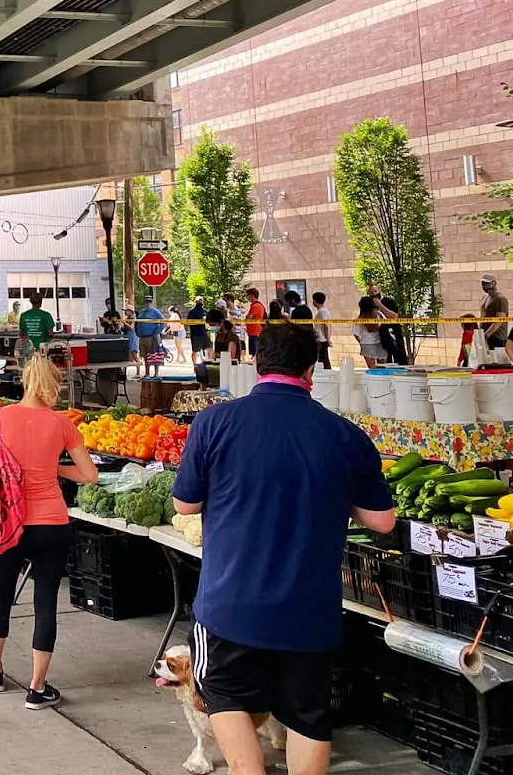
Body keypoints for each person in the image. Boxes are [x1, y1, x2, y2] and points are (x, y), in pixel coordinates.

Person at [173, 321, 395, 775]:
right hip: (309, 610)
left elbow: (185, 502)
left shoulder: (214, 422)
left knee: (226, 695)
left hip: (230, 604)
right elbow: (383, 521)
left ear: (255, 363)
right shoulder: (345, 435)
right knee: (308, 714)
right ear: (311, 370)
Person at [0, 354, 99, 708]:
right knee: (45, 603)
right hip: (51, 522)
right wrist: (54, 468)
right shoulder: (62, 425)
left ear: (24, 381)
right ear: (53, 385)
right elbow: (89, 475)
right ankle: (37, 688)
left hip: (9, 521)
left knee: (3, 593)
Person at [353, 296, 389, 368]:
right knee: (382, 369)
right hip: (380, 343)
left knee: (372, 370)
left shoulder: (359, 318)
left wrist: (361, 342)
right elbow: (386, 325)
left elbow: (355, 333)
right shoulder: (379, 315)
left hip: (366, 344)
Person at [481, 274, 511, 357]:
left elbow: (500, 320)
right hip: (487, 337)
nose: (484, 286)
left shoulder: (500, 298)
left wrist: (487, 334)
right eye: (483, 283)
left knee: (497, 362)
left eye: (487, 283)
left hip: (497, 338)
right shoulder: (485, 297)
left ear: (494, 283)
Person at [135, 296, 166, 368]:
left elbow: (163, 323)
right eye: (146, 301)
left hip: (152, 338)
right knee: (145, 356)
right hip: (142, 338)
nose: (148, 303)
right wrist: (137, 332)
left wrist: (156, 332)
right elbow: (137, 323)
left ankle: (156, 373)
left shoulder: (155, 312)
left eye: (149, 302)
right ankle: (147, 373)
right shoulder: (141, 312)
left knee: (155, 356)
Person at [244, 288, 266, 358]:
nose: (247, 297)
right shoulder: (254, 305)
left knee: (254, 353)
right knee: (253, 353)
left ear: (252, 295)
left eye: (247, 295)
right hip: (252, 332)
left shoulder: (256, 306)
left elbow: (249, 317)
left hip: (255, 332)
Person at [311, 292, 331, 371]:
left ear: (315, 301)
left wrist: (327, 339)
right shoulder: (322, 312)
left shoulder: (323, 312)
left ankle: (328, 374)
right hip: (321, 339)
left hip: (322, 339)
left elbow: (325, 326)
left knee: (324, 359)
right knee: (322, 359)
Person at [187, 297, 210, 361]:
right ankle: (195, 366)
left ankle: (209, 365)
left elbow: (210, 320)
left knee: (209, 349)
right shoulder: (192, 312)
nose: (200, 303)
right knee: (195, 351)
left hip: (204, 333)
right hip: (196, 334)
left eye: (201, 301)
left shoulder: (204, 311)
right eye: (198, 301)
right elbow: (188, 322)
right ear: (196, 302)